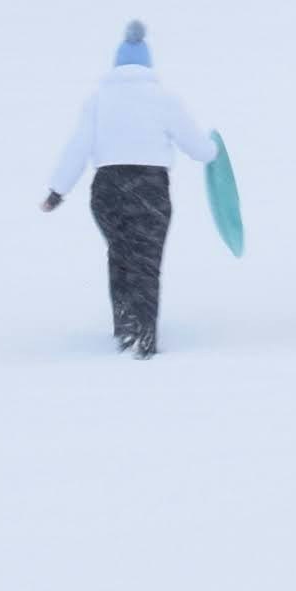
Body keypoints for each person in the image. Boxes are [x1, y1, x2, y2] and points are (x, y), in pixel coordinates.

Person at [43, 21, 216, 357]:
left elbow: (77, 147)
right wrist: (215, 151)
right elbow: (198, 149)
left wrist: (57, 191)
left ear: (116, 64)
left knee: (120, 257)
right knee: (146, 263)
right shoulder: (164, 99)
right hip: (149, 188)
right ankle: (146, 339)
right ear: (148, 65)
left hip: (107, 189)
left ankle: (125, 330)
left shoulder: (98, 100)